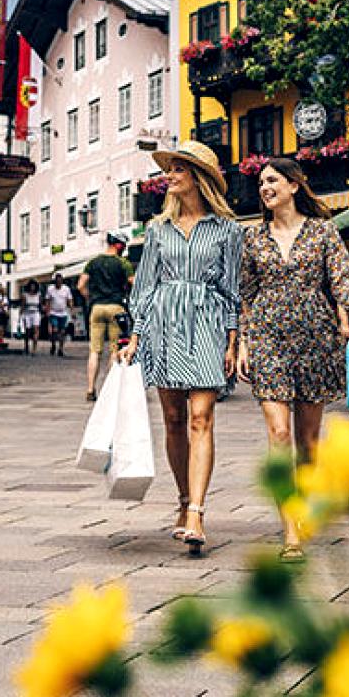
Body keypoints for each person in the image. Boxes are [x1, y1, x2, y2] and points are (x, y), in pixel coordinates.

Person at [239, 158, 349, 561]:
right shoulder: (253, 239)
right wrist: (244, 341)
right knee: (279, 435)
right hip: (268, 339)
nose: (264, 187)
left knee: (308, 442)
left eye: (272, 180)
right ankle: (290, 529)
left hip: (315, 340)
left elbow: (344, 277)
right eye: (261, 182)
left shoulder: (322, 232)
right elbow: (246, 293)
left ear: (295, 186)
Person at [115, 140, 242, 555]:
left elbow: (233, 289)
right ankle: (184, 498)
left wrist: (233, 337)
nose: (168, 176)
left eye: (176, 169)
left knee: (201, 417)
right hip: (164, 325)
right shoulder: (156, 229)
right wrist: (135, 337)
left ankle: (198, 514)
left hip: (207, 322)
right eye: (168, 169)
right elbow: (146, 285)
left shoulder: (228, 230)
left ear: (197, 177)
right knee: (172, 418)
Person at [79, 233, 134, 401]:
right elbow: (134, 282)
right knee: (114, 350)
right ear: (120, 246)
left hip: (96, 308)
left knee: (94, 350)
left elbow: (81, 285)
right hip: (116, 308)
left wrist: (90, 299)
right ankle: (109, 391)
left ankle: (90, 389)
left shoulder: (93, 262)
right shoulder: (123, 263)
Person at [44, 274, 73, 357]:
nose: (58, 283)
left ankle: (60, 348)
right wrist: (47, 310)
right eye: (57, 281)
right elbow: (47, 300)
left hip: (63, 313)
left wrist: (71, 307)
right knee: (55, 330)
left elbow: (69, 299)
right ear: (55, 281)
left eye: (60, 281)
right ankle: (53, 344)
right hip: (53, 312)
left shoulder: (66, 289)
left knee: (62, 332)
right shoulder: (50, 289)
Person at [18, 278, 42, 355]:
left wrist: (42, 312)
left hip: (35, 313)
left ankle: (34, 349)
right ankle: (26, 345)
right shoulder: (25, 295)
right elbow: (22, 306)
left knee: (35, 330)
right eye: (31, 286)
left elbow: (40, 305)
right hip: (27, 313)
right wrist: (20, 316)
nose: (32, 288)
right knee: (27, 331)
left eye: (34, 286)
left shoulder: (38, 295)